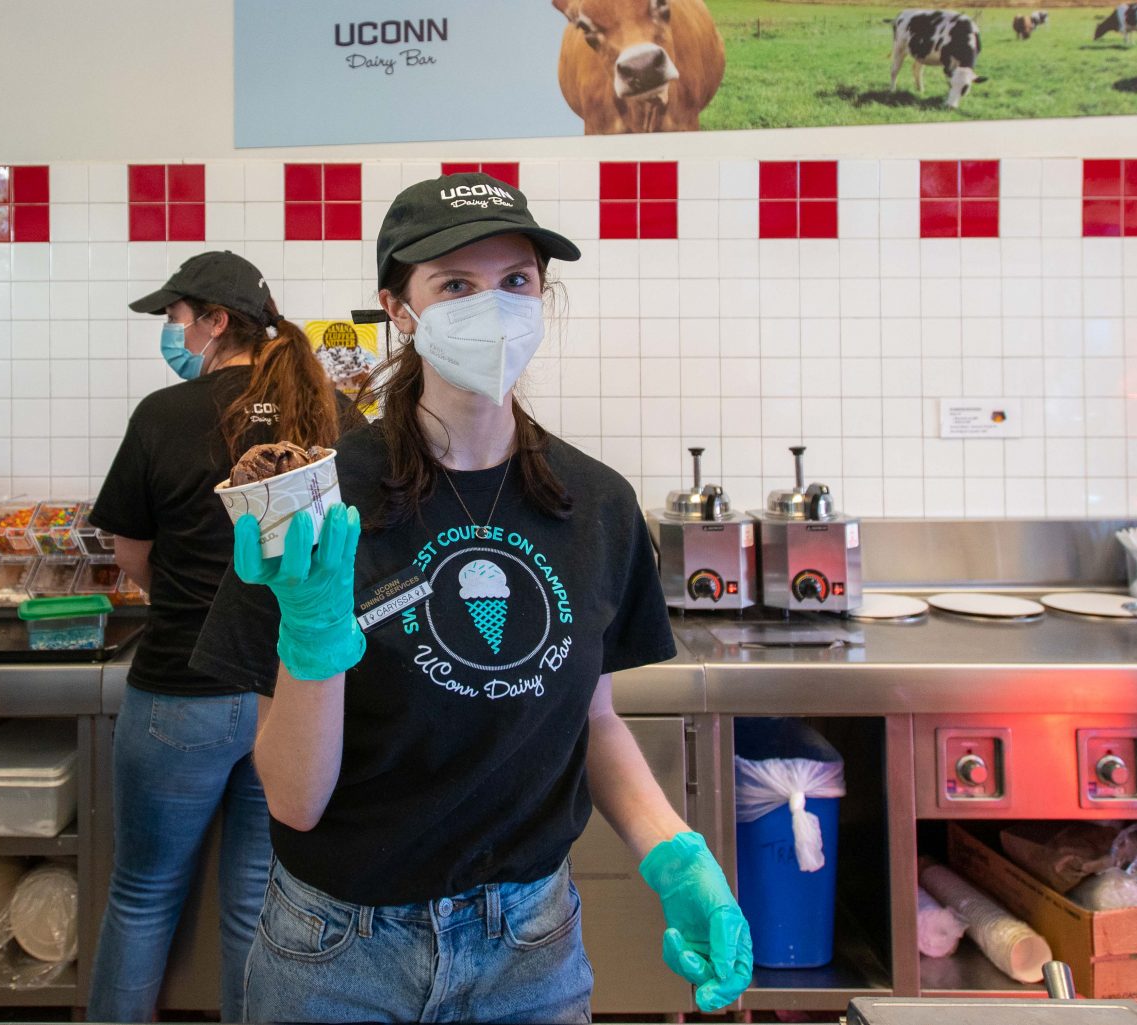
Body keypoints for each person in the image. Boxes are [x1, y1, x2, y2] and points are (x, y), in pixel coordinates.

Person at [190, 175, 752, 1023]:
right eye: (455, 284)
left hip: (530, 949)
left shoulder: (595, 505)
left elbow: (594, 725)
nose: (492, 307)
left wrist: (675, 855)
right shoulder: (316, 504)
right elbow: (295, 798)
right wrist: (312, 637)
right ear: (399, 308)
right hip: (336, 951)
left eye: (516, 281)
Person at [85, 250, 349, 1022]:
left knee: (141, 896)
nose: (172, 334)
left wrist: (188, 601)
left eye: (175, 317)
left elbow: (128, 551)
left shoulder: (163, 415)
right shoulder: (327, 411)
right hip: (290, 695)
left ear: (214, 321)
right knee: (254, 905)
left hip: (181, 691)